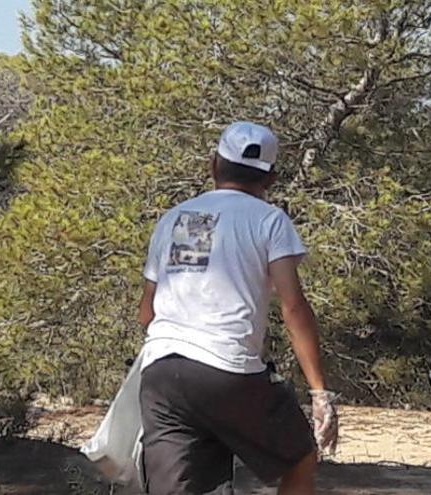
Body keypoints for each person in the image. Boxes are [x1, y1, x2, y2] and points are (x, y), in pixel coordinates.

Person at [138, 121, 338, 495]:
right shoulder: (269, 221)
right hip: (227, 370)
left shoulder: (178, 220)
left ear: (214, 164)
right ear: (272, 178)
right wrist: (320, 392)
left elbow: (146, 314)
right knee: (299, 456)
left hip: (162, 372)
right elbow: (293, 307)